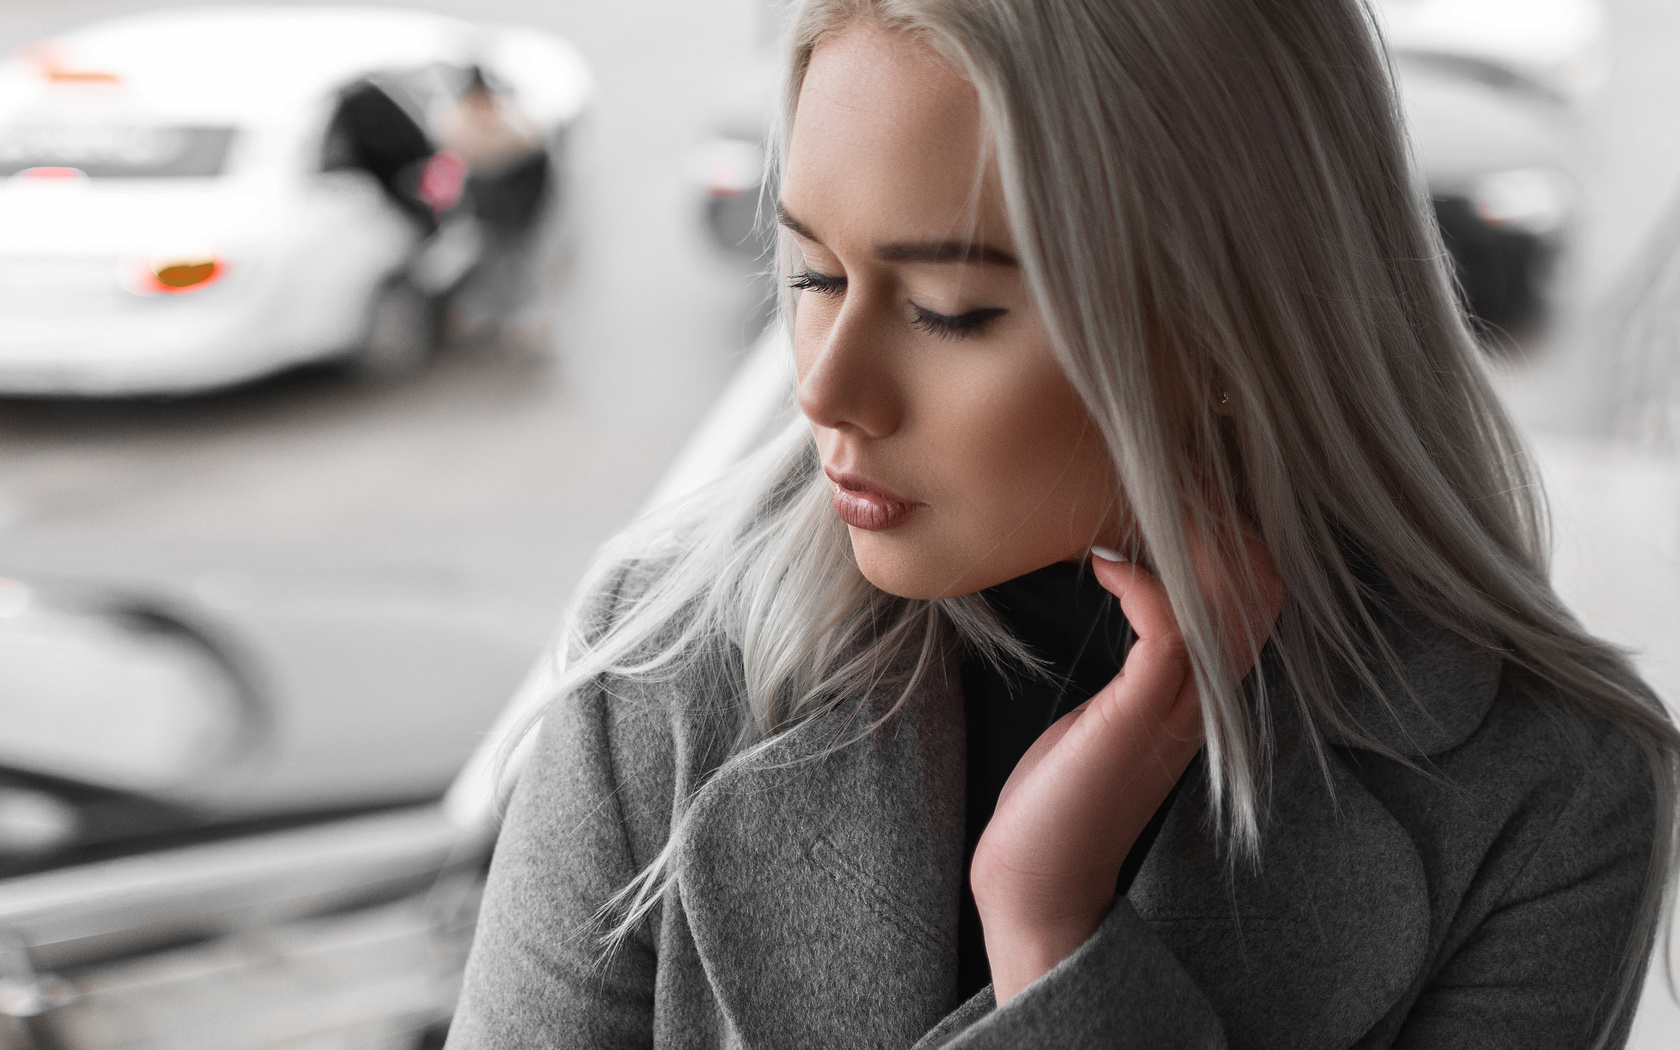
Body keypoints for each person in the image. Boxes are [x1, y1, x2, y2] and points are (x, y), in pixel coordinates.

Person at [447, 1, 1680, 1047]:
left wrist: (1051, 927)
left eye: (946, 310)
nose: (825, 391)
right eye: (813, 275)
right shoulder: (663, 652)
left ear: (1226, 321)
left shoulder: (1550, 800)